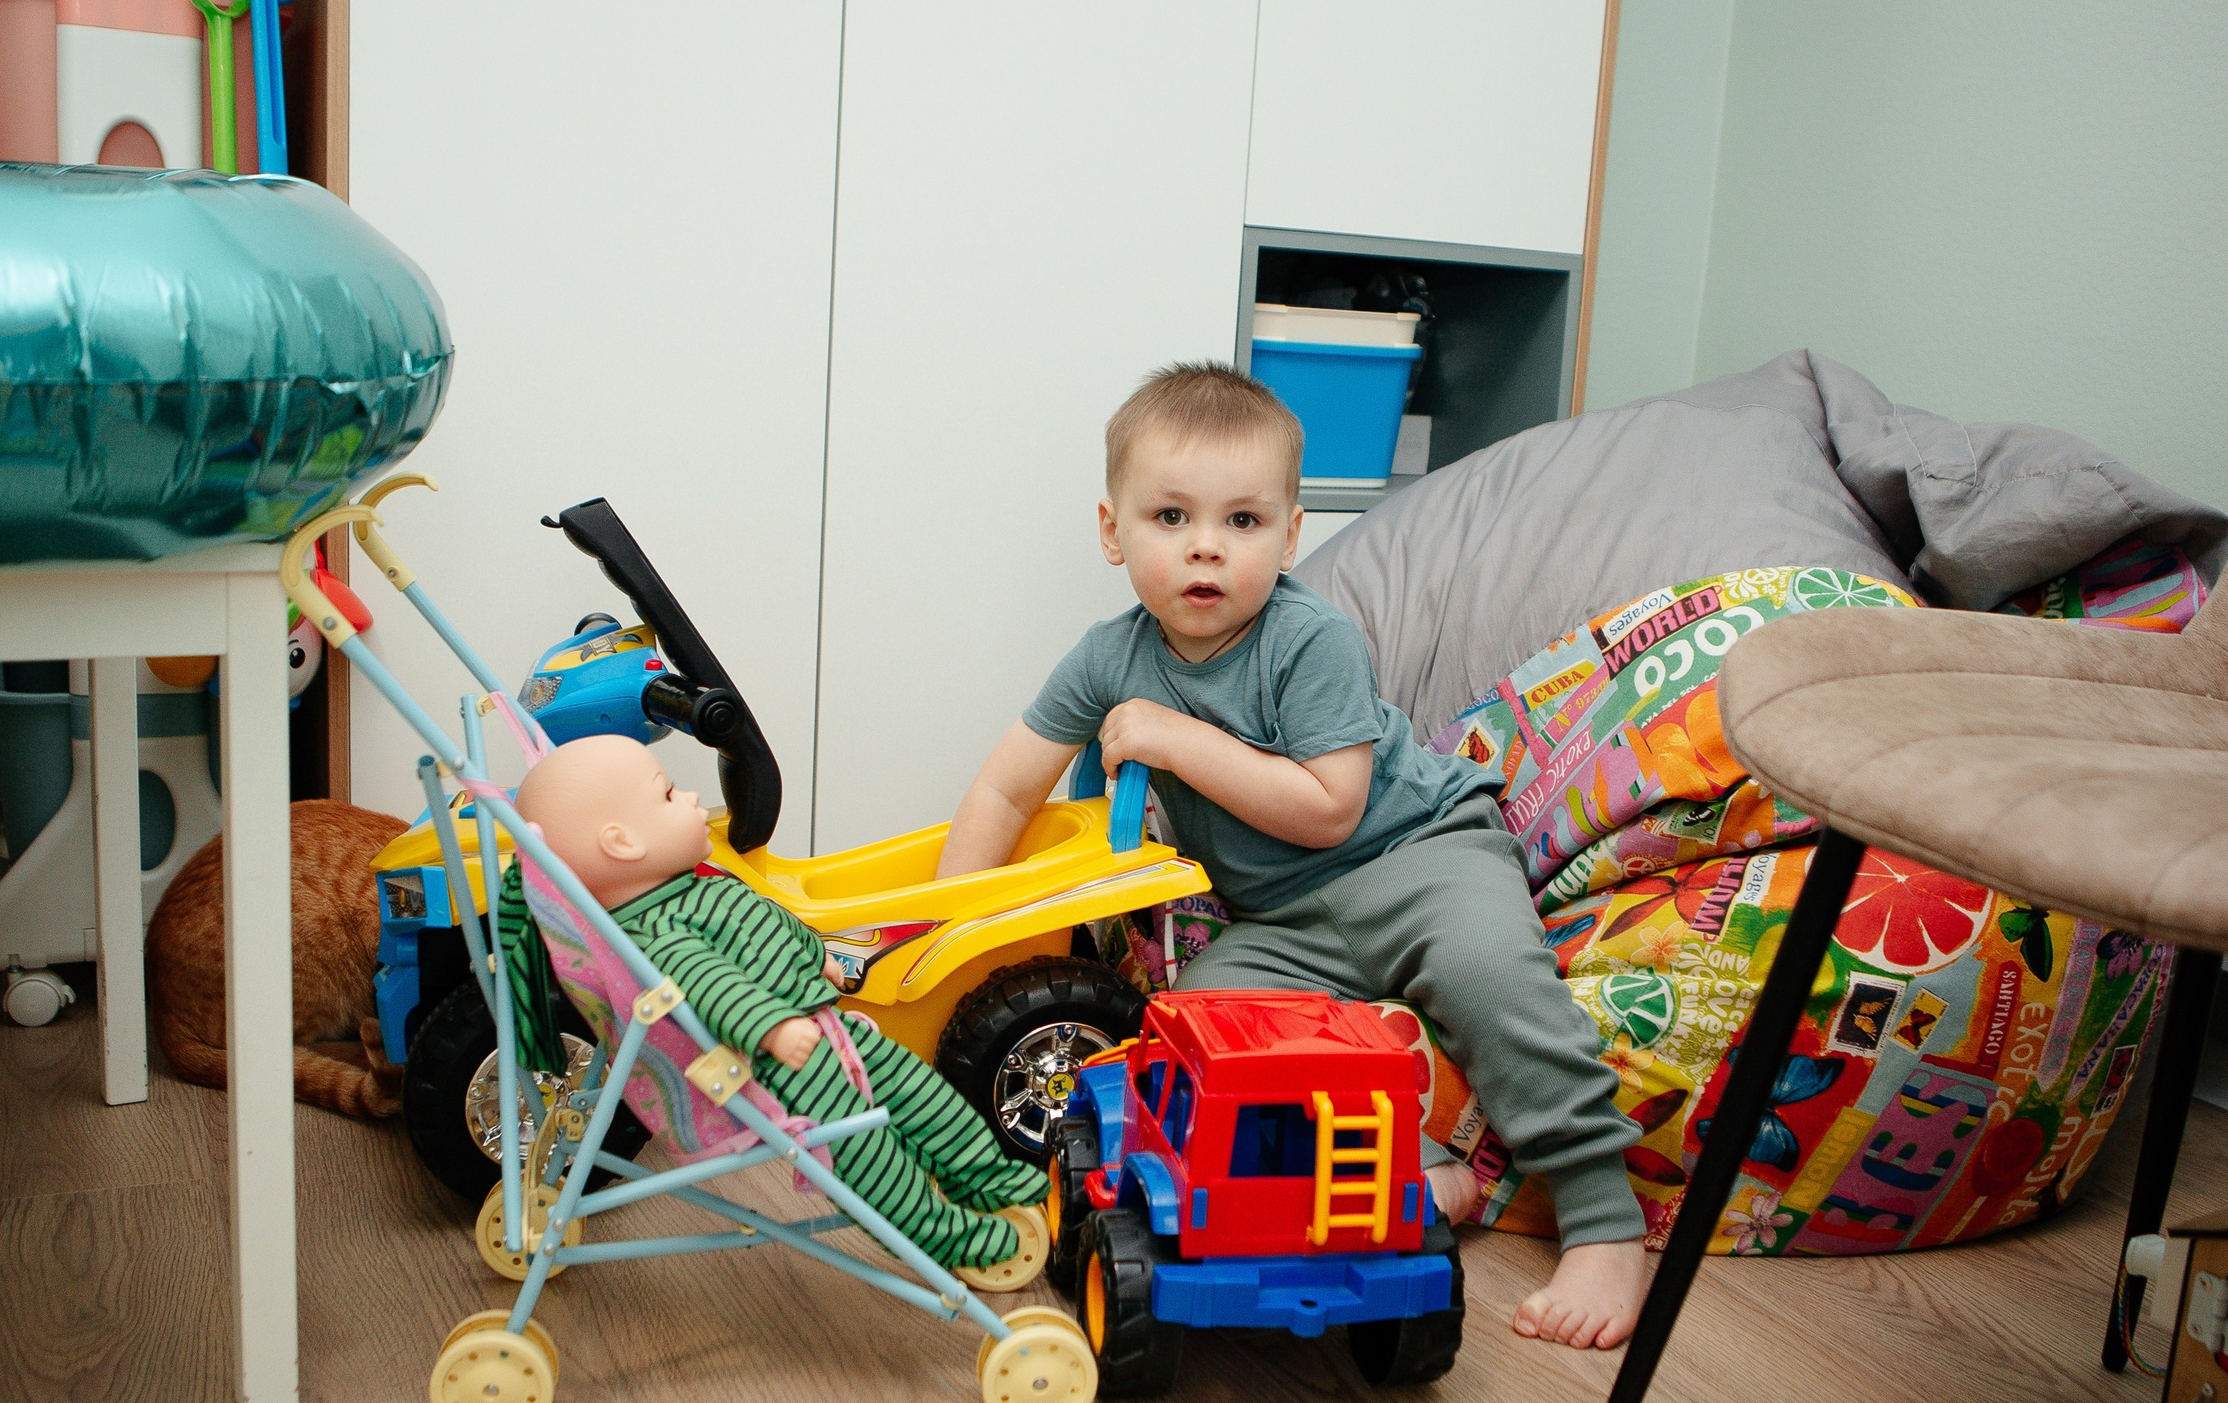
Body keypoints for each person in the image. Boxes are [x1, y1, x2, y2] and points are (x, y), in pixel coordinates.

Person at [936, 361, 1648, 1348]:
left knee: (1492, 976)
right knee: (1197, 1040)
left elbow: (1327, 807)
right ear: (1112, 532)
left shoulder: (1309, 640)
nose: (1206, 551)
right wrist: (947, 929)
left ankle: (1602, 1218)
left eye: (1242, 523)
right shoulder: (1109, 658)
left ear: (1288, 534)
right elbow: (1006, 788)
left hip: (1418, 858)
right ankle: (1415, 1180)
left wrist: (1176, 742)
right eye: (1171, 518)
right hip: (1280, 922)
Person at [502, 734, 1044, 1272]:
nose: (690, 799)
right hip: (786, 1070)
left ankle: (988, 1175)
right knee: (867, 1157)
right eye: (668, 795)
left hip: (828, 1030)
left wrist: (817, 955)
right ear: (622, 843)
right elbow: (709, 983)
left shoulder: (685, 888)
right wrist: (770, 1028)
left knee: (926, 1098)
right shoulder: (656, 931)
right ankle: (944, 1237)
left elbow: (760, 923)